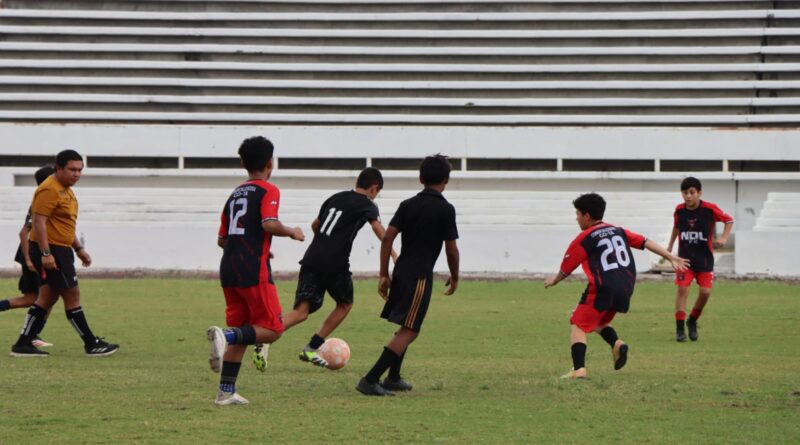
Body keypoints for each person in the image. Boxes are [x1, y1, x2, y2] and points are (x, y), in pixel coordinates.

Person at [544, 193, 689, 379]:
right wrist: (671, 256)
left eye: (578, 214)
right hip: (626, 287)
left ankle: (579, 370)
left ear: (587, 216)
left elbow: (568, 264)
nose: (576, 218)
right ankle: (617, 344)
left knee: (577, 323)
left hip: (603, 286)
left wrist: (556, 279)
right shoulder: (618, 230)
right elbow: (645, 242)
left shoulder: (585, 237)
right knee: (599, 321)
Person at [206, 136, 305, 406]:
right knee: (272, 330)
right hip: (252, 268)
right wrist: (292, 231)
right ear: (270, 163)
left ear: (242, 163)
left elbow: (222, 240)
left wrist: (252, 245)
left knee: (244, 330)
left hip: (228, 268)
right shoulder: (268, 190)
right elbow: (270, 223)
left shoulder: (234, 194)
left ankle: (225, 391)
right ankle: (223, 336)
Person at [356, 154, 460, 396]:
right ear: (446, 180)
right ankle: (370, 379)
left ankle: (392, 377)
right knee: (410, 329)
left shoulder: (407, 205)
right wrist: (455, 276)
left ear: (421, 178)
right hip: (420, 277)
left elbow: (388, 238)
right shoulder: (445, 209)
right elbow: (451, 249)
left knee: (406, 325)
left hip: (402, 270)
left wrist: (384, 273)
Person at [279, 167, 398, 369]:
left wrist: (324, 242)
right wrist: (394, 254)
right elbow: (379, 230)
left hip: (311, 258)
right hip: (335, 263)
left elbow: (315, 225)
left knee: (301, 312)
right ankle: (311, 347)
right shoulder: (368, 205)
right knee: (345, 304)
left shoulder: (335, 198)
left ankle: (263, 333)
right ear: (374, 189)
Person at [10, 150, 119, 358]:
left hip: (62, 249)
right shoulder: (49, 190)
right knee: (72, 296)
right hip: (53, 250)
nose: (76, 174)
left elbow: (65, 224)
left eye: (79, 170)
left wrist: (78, 248)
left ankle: (23, 343)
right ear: (58, 168)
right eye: (72, 169)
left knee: (47, 297)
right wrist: (46, 253)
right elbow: (39, 223)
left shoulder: (65, 189)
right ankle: (91, 343)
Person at [666, 177, 733, 342]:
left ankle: (692, 321)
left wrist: (724, 238)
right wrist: (669, 247)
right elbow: (676, 227)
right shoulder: (679, 210)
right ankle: (680, 329)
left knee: (705, 292)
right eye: (684, 193)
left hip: (704, 260)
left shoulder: (710, 209)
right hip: (684, 260)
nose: (688, 196)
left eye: (692, 192)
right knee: (683, 290)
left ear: (699, 193)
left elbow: (729, 220)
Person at [1, 165, 55, 349]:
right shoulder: (40, 202)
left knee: (34, 298)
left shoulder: (47, 198)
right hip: (34, 256)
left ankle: (32, 335)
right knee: (46, 297)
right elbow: (24, 233)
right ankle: (31, 336)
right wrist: (29, 259)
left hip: (36, 255)